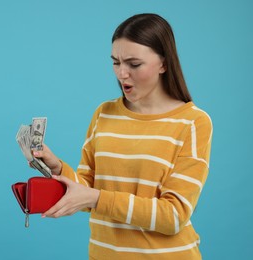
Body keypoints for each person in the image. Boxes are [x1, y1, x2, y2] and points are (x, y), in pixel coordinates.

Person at [32, 13, 213, 260]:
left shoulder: (193, 122)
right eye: (115, 62)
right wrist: (59, 168)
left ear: (164, 63)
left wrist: (96, 198)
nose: (122, 73)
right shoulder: (104, 114)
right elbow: (87, 193)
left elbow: (173, 216)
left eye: (134, 64)